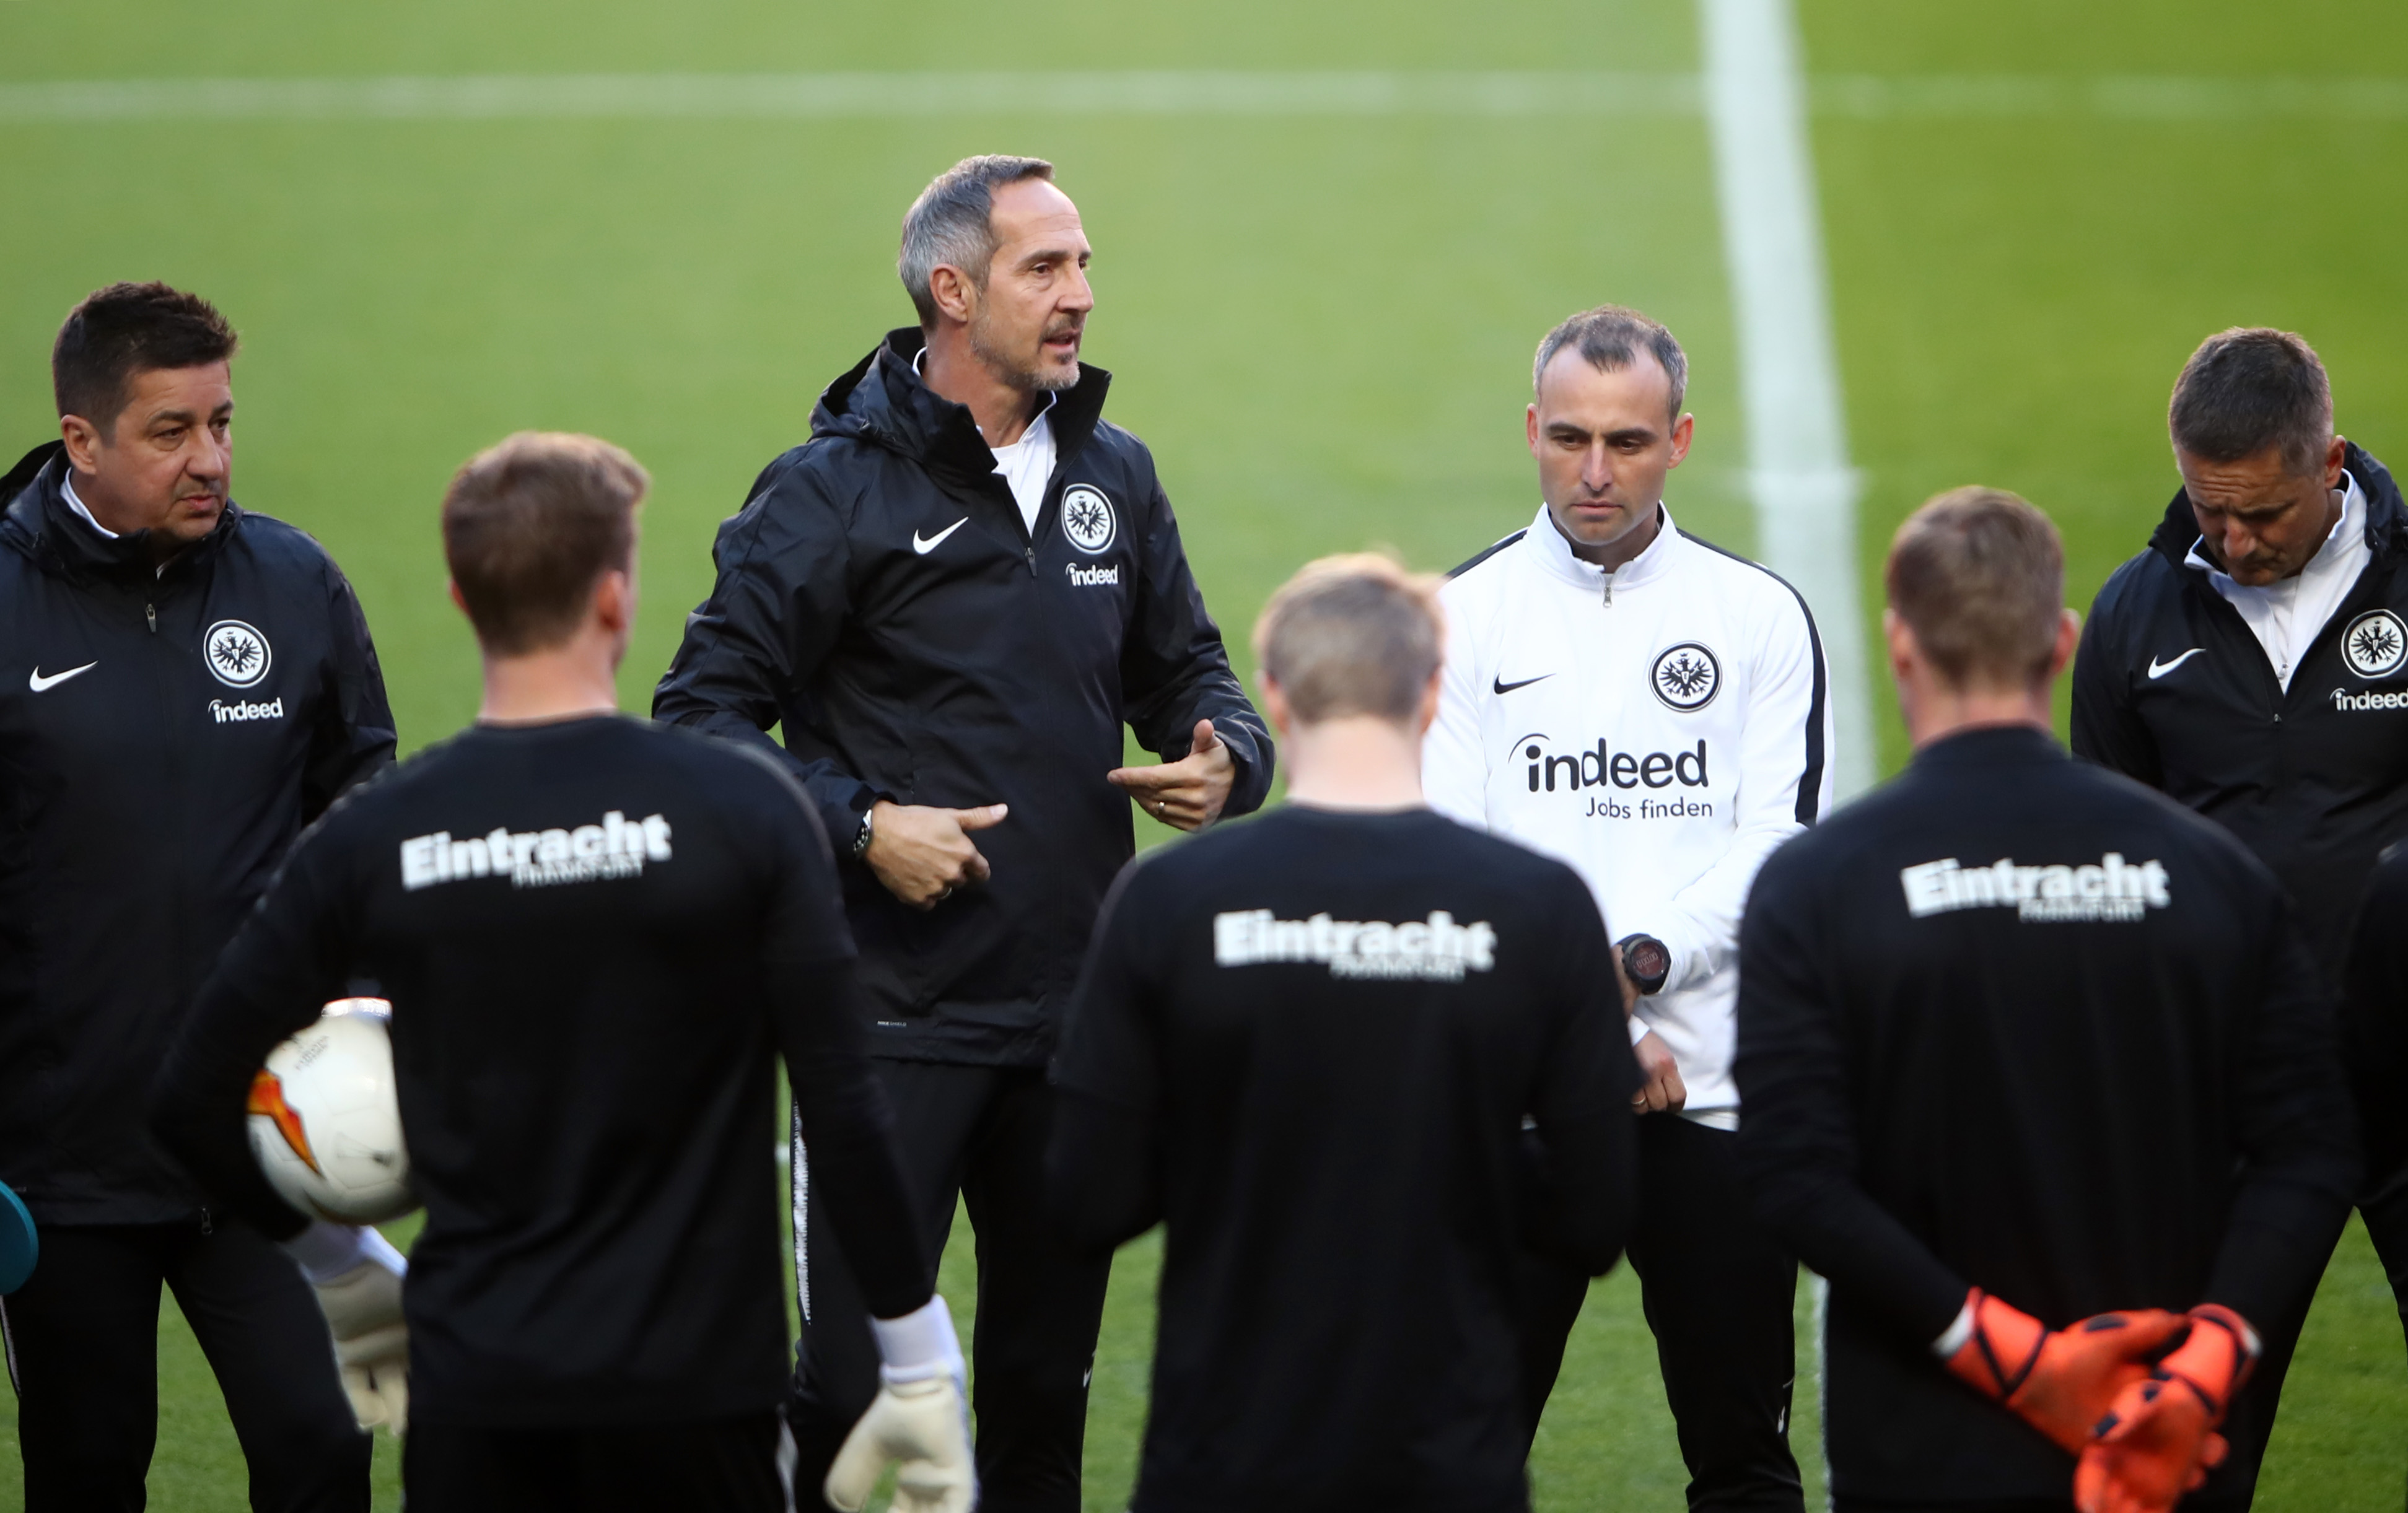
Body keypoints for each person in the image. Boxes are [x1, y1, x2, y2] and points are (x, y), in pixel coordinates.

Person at [150, 433, 975, 1513]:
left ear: (459, 596)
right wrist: (916, 1356)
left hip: (479, 1398)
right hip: (700, 1402)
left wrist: (341, 1266)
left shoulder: (379, 836)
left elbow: (190, 1103)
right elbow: (843, 1099)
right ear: (615, 599)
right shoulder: (744, 812)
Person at [652, 154, 1273, 1509]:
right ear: (952, 291)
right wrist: (862, 824)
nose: (1082, 297)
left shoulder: (1116, 471)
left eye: (1086, 264)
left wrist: (1233, 756)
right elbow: (697, 719)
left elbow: (1192, 670)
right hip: (885, 1027)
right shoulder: (828, 493)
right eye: (1046, 269)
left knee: (1045, 1395)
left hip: (1076, 1024)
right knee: (847, 1396)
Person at [1736, 487, 2359, 1513]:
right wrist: (2203, 1364)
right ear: (2064, 642)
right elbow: (2312, 1149)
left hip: (1929, 1454)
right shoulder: (2216, 873)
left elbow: (1793, 1179)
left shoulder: (1820, 884)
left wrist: (2014, 1357)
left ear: (1900, 645)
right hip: (2162, 1449)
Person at [1048, 554, 1639, 1512]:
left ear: (1276, 698)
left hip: (1223, 1465)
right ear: (1434, 692)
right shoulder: (1540, 908)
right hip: (1451, 1465)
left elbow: (1086, 1193)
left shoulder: (1170, 899)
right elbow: (1596, 1212)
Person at [1422, 305, 1829, 1509]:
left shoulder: (1757, 616)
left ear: (1681, 440)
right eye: (1569, 437)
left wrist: (1639, 967)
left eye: (1630, 442)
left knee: (1745, 1461)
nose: (1595, 472)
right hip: (1521, 1103)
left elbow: (1776, 847)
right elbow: (1457, 858)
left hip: (1712, 1097)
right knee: (1459, 1454)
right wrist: (1591, 1026)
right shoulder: (1460, 614)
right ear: (1532, 431)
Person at [0, 282, 396, 1511]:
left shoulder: (292, 583)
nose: (210, 458)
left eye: (222, 422)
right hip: (62, 1163)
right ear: (83, 440)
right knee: (87, 1468)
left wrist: (365, 1011)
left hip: (258, 1143)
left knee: (322, 1445)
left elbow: (360, 809)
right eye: (171, 431)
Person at [2069, 326, 2406, 1492]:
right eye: (2210, 511)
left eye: (2262, 512)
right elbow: (2105, 880)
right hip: (2235, 1101)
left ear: (2331, 464)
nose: (2235, 540)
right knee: (2197, 1443)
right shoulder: (2133, 618)